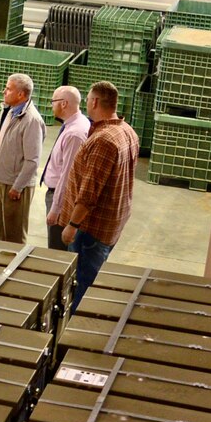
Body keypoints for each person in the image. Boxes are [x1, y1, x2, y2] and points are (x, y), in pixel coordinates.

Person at [58, 80, 142, 307]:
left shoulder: (103, 141)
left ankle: (72, 331)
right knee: (88, 280)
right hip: (110, 225)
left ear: (95, 102)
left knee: (80, 285)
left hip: (90, 230)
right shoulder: (127, 131)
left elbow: (89, 192)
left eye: (87, 99)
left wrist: (72, 225)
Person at [0, 73, 44, 244]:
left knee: (14, 236)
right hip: (0, 180)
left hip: (15, 187)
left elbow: (32, 160)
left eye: (8, 89)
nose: (3, 91)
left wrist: (17, 187)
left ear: (21, 95)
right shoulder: (7, 111)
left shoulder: (31, 120)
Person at [39, 84, 90, 251]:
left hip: (61, 198)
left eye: (53, 101)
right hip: (58, 195)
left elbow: (67, 176)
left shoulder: (74, 134)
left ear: (63, 103)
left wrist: (56, 209)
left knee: (56, 251)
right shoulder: (73, 125)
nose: (51, 105)